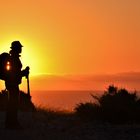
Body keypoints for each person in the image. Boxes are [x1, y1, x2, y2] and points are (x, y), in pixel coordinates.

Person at [5, 41, 29, 129]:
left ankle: (10, 123)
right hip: (13, 83)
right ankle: (12, 123)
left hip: (11, 83)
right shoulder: (14, 59)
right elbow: (15, 73)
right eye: (19, 47)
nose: (21, 49)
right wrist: (24, 72)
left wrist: (23, 72)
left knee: (12, 103)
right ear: (16, 49)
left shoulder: (13, 58)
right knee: (13, 103)